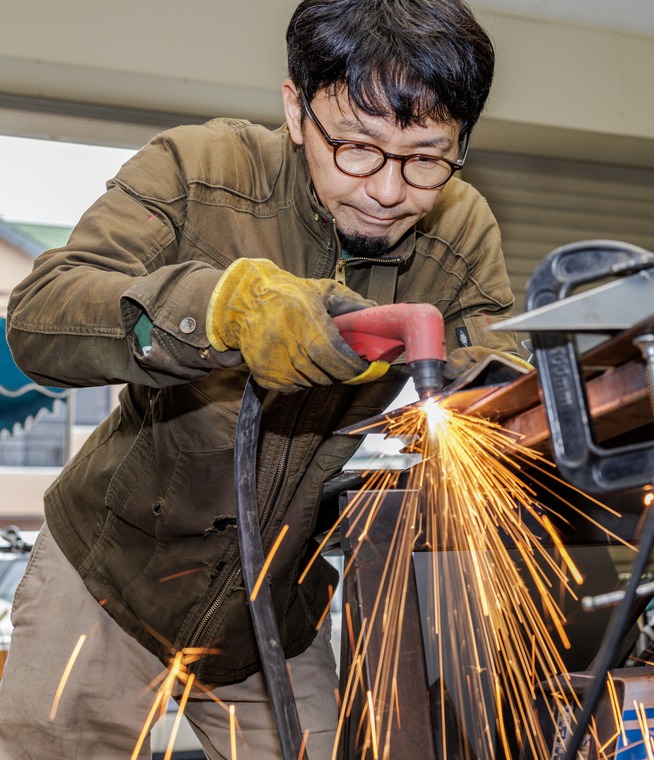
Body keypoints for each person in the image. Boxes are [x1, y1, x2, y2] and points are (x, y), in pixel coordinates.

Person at [0, 0, 520, 756]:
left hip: (268, 612)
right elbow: (42, 314)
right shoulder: (196, 170)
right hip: (108, 577)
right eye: (356, 147)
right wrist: (216, 310)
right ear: (296, 110)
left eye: (426, 158)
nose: (386, 188)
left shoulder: (462, 229)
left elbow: (495, 378)